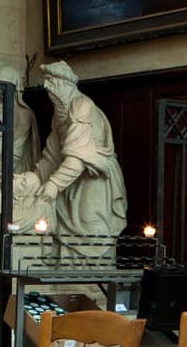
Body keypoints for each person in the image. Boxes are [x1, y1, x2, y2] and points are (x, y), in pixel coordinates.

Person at [34, 61, 127, 248]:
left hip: (95, 176)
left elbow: (78, 156)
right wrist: (34, 180)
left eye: (51, 81)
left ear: (64, 84)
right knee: (61, 226)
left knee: (89, 226)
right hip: (71, 177)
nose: (46, 87)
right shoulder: (60, 113)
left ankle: (96, 273)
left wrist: (53, 184)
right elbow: (52, 155)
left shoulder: (81, 105)